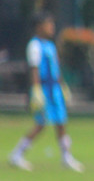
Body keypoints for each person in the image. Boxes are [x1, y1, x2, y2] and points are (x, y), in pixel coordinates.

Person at [8, 10, 84, 172]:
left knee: (61, 122)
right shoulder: (35, 45)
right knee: (41, 123)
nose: (51, 27)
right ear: (38, 26)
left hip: (55, 89)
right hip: (43, 89)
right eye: (48, 24)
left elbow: (56, 68)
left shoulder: (50, 45)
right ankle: (17, 154)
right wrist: (36, 90)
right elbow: (34, 69)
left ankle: (66, 157)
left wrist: (63, 86)